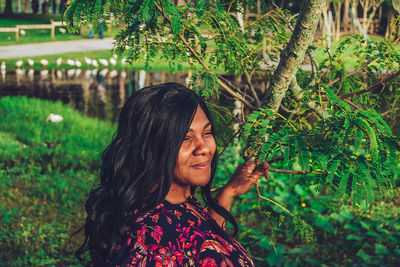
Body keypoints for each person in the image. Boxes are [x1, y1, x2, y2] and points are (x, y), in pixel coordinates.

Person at [75, 83, 269, 266]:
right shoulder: (152, 242)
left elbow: (200, 241)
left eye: (207, 133)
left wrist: (230, 191)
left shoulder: (174, 201)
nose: (204, 148)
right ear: (151, 148)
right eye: (186, 138)